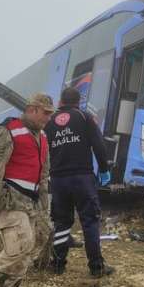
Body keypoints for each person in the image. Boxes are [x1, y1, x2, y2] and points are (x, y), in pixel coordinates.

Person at [0, 93, 54, 287]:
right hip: (10, 198)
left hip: (31, 200)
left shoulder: (41, 137)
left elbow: (43, 172)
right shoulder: (7, 131)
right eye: (46, 113)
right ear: (32, 109)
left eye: (51, 114)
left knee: (34, 244)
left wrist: (44, 202)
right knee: (20, 244)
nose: (49, 118)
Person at [45, 87, 113, 277]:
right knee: (90, 222)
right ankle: (96, 267)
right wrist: (104, 170)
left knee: (61, 223)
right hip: (82, 178)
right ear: (79, 102)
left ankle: (57, 265)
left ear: (60, 102)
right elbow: (99, 145)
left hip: (58, 179)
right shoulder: (85, 117)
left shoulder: (49, 122)